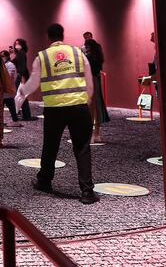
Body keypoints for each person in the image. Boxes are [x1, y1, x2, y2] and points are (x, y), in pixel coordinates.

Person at [15, 23, 99, 204]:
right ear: (63, 35)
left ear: (48, 37)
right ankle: (87, 191)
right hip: (78, 105)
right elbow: (88, 78)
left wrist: (22, 92)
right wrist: (88, 99)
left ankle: (44, 181)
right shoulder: (78, 53)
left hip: (54, 108)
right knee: (82, 147)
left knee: (50, 145)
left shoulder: (42, 57)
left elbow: (33, 82)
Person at [84, 38, 109, 143]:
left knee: (90, 108)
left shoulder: (87, 57)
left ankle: (90, 136)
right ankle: (97, 134)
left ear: (88, 46)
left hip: (90, 81)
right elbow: (98, 71)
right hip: (97, 81)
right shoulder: (99, 56)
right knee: (97, 107)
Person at [12, 38, 34, 121]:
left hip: (21, 76)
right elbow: (12, 62)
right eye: (16, 43)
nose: (16, 45)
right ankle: (26, 114)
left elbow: (22, 66)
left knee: (21, 96)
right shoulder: (20, 53)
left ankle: (26, 114)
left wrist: (22, 78)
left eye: (18, 44)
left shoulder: (21, 53)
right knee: (22, 96)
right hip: (21, 75)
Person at [1, 50, 21, 126]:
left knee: (11, 107)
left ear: (7, 56)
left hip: (8, 90)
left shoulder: (10, 65)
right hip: (2, 91)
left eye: (3, 56)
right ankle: (1, 121)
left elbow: (9, 77)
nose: (2, 57)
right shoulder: (2, 65)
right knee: (1, 108)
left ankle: (15, 121)